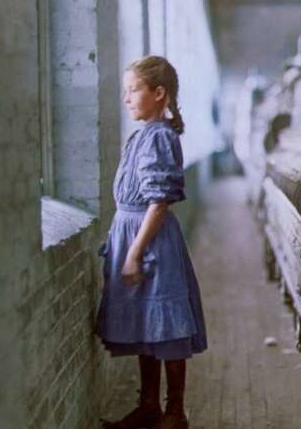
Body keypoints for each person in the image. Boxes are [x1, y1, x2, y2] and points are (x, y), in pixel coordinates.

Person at [97, 55, 208, 429]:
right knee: (147, 321)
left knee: (168, 323)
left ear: (159, 94)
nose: (127, 98)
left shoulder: (159, 136)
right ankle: (149, 406)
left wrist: (135, 251)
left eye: (134, 90)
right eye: (126, 91)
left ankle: (175, 412)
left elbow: (159, 201)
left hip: (151, 241)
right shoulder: (144, 134)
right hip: (134, 231)